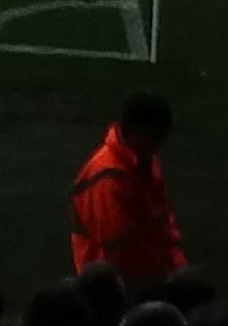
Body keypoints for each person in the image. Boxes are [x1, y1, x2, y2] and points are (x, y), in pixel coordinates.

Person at [66, 92, 182, 281]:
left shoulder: (146, 161)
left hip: (143, 274)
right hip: (111, 284)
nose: (159, 146)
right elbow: (120, 250)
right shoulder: (107, 178)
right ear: (134, 132)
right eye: (155, 137)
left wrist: (177, 265)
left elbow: (163, 222)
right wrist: (165, 279)